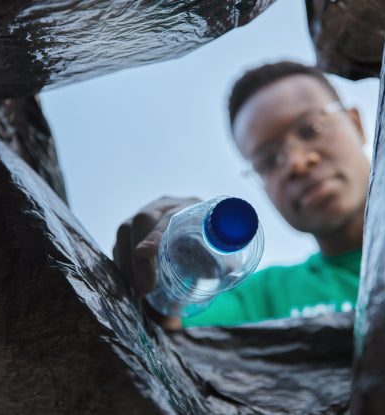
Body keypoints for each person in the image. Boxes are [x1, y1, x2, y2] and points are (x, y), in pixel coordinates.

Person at [113, 61, 371, 328]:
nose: (296, 163)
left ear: (357, 125)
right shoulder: (260, 301)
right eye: (268, 161)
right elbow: (166, 336)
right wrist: (167, 274)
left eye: (310, 130)